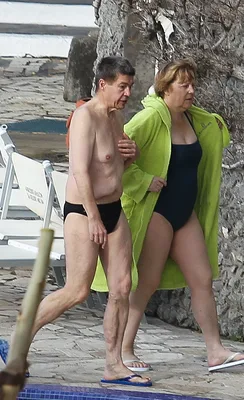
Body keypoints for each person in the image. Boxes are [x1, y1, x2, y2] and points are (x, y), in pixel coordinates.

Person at [92, 58, 244, 373]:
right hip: (158, 210)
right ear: (166, 89)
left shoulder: (194, 119)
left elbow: (214, 139)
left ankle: (216, 351)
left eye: (193, 84)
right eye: (185, 85)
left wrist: (216, 125)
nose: (192, 90)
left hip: (184, 211)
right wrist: (143, 181)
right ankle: (124, 349)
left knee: (202, 278)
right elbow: (110, 160)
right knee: (146, 282)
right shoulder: (149, 119)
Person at [0, 56, 152, 387]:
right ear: (103, 84)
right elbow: (80, 171)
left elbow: (111, 168)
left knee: (122, 287)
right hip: (85, 212)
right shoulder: (85, 118)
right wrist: (95, 218)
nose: (128, 93)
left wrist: (133, 157)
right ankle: (15, 343)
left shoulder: (116, 117)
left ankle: (114, 364)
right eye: (122, 86)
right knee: (77, 290)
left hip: (114, 211)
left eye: (130, 86)